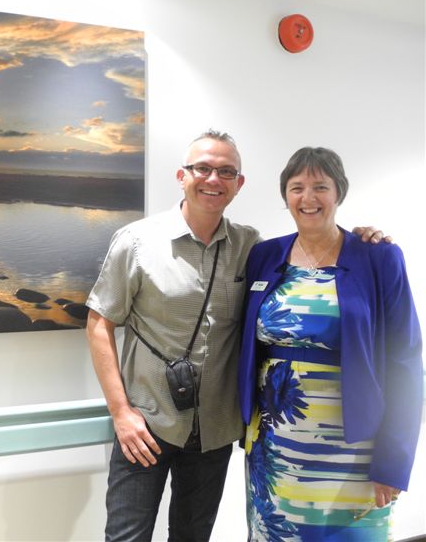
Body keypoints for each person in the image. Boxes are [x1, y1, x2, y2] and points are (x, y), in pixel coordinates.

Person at [86, 131, 386, 542]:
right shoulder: (137, 242)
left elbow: (312, 258)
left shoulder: (252, 248)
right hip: (146, 424)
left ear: (239, 183)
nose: (214, 179)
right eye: (203, 168)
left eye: (226, 172)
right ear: (182, 176)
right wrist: (121, 413)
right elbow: (99, 323)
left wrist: (365, 240)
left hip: (215, 429)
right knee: (126, 536)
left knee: (193, 536)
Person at [237, 147, 422, 541]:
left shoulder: (379, 257)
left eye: (320, 186)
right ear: (285, 196)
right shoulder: (264, 256)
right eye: (297, 187)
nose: (308, 198)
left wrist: (393, 462)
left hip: (356, 448)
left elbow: (406, 362)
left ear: (339, 193)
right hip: (277, 446)